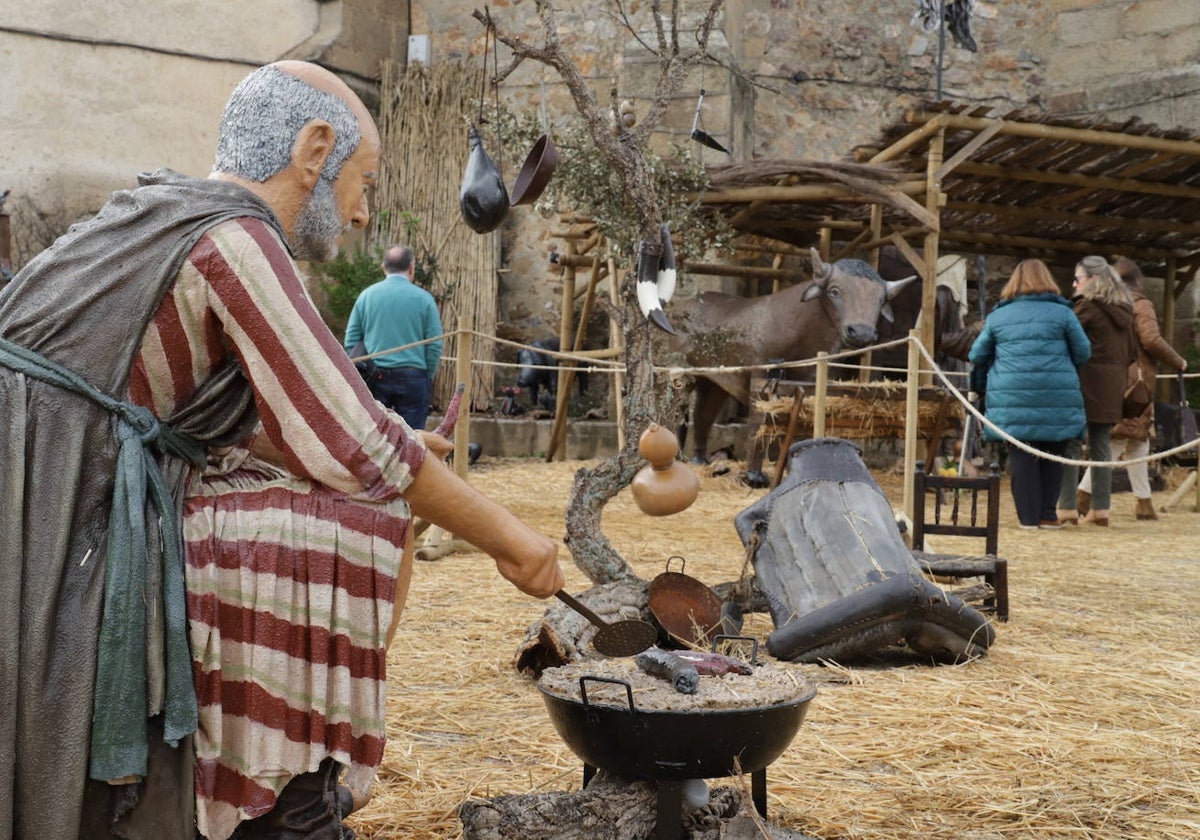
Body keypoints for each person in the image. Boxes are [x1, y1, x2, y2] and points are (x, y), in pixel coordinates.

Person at [0, 60, 564, 840]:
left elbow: (227, 417)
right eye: (362, 182)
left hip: (47, 481)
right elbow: (362, 447)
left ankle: (279, 785)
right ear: (314, 149)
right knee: (363, 520)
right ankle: (276, 796)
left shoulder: (158, 207)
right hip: (66, 507)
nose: (364, 213)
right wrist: (515, 540)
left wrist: (392, 444)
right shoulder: (234, 238)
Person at [968, 259, 1091, 530]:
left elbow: (977, 355)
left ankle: (1027, 519)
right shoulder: (1064, 313)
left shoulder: (999, 316)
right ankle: (1048, 515)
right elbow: (1083, 351)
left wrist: (978, 389)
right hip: (1057, 393)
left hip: (1012, 397)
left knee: (1022, 454)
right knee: (1053, 451)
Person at [1077, 256, 1186, 521]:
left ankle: (1143, 501)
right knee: (1115, 441)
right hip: (1134, 380)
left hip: (1116, 377)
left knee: (1137, 439)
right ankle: (1083, 496)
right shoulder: (1139, 303)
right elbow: (1150, 338)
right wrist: (1178, 361)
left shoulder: (1108, 304)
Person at [1054, 256, 1136, 527]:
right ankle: (1101, 509)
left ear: (1094, 279)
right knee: (1101, 446)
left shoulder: (1086, 308)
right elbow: (1133, 353)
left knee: (1071, 443)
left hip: (1083, 382)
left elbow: (1065, 340)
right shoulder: (1125, 310)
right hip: (1113, 386)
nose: (1074, 284)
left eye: (1078, 278)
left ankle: (1066, 507)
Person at [344, 245, 443, 430]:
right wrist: (426, 375)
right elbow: (434, 345)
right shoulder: (424, 299)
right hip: (414, 376)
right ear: (412, 268)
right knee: (414, 437)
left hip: (375, 376)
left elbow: (351, 340)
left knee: (375, 435)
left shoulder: (366, 296)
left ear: (383, 267)